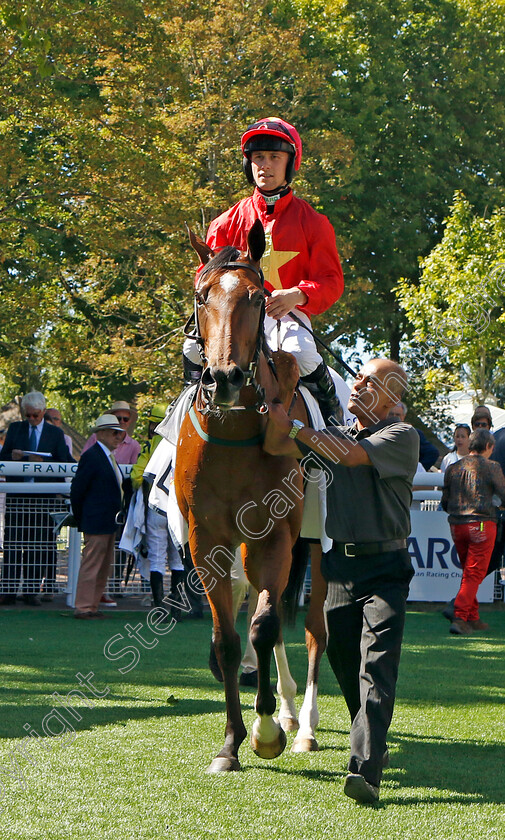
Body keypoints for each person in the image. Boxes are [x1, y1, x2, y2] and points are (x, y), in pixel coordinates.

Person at [265, 358, 419, 804]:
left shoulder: (400, 436)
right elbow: (284, 448)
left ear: (391, 397)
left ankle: (365, 771)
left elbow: (347, 455)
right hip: (340, 570)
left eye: (369, 382)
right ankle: (370, 740)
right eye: (358, 377)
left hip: (385, 569)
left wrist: (294, 427)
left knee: (376, 668)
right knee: (345, 663)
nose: (357, 384)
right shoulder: (343, 434)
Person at [183, 116, 345, 422]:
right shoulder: (224, 223)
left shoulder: (314, 223)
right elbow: (204, 279)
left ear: (289, 164)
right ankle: (180, 426)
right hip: (233, 317)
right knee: (191, 351)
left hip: (286, 315)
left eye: (274, 157)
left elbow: (331, 281)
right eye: (258, 157)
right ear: (249, 164)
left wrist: (298, 295)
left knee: (304, 354)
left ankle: (333, 421)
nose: (265, 166)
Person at [441, 429, 505, 635]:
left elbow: (444, 501)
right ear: (489, 447)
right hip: (482, 524)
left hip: (457, 524)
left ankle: (472, 616)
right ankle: (459, 616)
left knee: (470, 572)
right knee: (474, 573)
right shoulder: (492, 466)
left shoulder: (453, 467)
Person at [129, 403, 189, 619]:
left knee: (156, 559)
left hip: (156, 508)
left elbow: (138, 476)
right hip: (180, 509)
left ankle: (159, 608)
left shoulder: (151, 446)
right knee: (178, 559)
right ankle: (177, 609)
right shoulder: (187, 443)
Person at [70, 414, 126, 619]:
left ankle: (91, 605)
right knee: (93, 563)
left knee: (103, 565)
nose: (118, 437)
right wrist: (80, 517)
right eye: (114, 432)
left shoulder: (106, 456)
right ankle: (84, 606)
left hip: (108, 521)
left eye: (119, 433)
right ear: (100, 433)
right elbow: (77, 490)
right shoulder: (92, 456)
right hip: (96, 521)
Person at [387, 401, 439, 470]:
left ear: (403, 416)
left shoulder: (413, 433)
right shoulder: (377, 432)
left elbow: (432, 453)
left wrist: (417, 470)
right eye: (391, 414)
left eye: (397, 415)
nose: (394, 417)